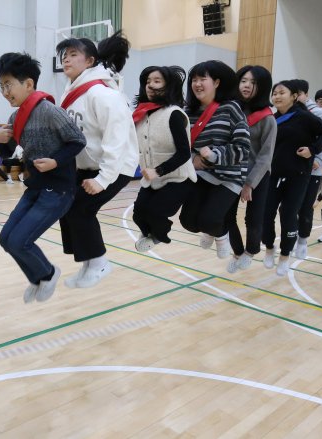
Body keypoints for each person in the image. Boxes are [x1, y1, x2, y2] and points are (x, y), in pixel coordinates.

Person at [0, 52, 86, 303]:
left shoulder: (50, 111)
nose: (4, 91)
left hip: (58, 191)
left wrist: (56, 161)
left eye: (8, 84)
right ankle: (36, 278)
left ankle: (48, 272)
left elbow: (77, 140)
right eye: (1, 86)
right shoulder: (16, 116)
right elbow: (6, 152)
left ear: (29, 84)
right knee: (6, 239)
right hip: (35, 187)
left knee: (20, 240)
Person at [54, 31, 139, 288]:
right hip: (85, 166)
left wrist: (103, 179)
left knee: (81, 209)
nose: (66, 60)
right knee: (66, 208)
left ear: (89, 61)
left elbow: (117, 140)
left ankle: (100, 262)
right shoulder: (71, 93)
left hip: (115, 166)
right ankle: (89, 263)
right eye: (64, 56)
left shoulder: (104, 95)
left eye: (73, 55)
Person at [180, 60, 251, 259]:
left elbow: (243, 148)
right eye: (194, 79)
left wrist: (214, 155)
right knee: (187, 221)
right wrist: (193, 158)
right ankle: (211, 229)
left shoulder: (231, 109)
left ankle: (220, 234)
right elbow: (183, 147)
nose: (197, 84)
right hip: (202, 174)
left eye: (203, 78)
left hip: (228, 177)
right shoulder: (188, 114)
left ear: (217, 82)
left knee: (211, 220)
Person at [262, 80, 322, 275]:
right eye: (274, 93)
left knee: (288, 215)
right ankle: (269, 248)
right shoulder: (272, 119)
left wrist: (313, 150)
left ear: (294, 96)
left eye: (281, 92)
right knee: (266, 215)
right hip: (272, 175)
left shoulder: (305, 117)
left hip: (298, 176)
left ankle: (285, 256)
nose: (276, 96)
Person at [131, 65, 196, 252]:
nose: (150, 85)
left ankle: (160, 235)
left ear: (169, 87)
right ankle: (151, 232)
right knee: (138, 216)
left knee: (155, 214)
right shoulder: (141, 114)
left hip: (177, 178)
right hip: (151, 180)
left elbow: (184, 153)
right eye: (147, 82)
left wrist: (158, 170)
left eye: (157, 81)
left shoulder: (174, 114)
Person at [224, 65, 277, 273]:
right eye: (244, 80)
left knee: (253, 218)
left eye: (253, 83)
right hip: (231, 172)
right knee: (226, 216)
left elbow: (265, 157)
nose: (246, 85)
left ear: (262, 87)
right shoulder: (230, 109)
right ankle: (237, 252)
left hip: (258, 175)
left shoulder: (267, 118)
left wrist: (249, 184)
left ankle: (251, 251)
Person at [292, 79, 322, 260]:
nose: (296, 98)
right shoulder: (286, 113)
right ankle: (292, 237)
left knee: (305, 207)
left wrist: (319, 157)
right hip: (291, 169)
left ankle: (302, 241)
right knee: (288, 208)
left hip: (312, 169)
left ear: (305, 95)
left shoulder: (319, 113)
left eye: (298, 94)